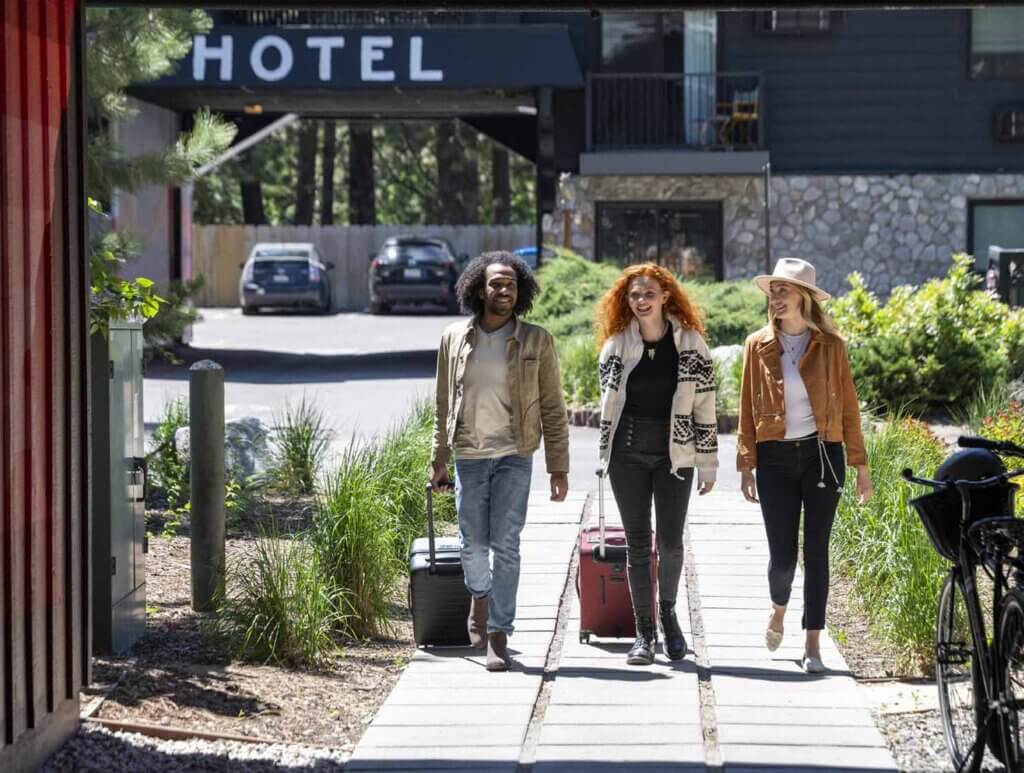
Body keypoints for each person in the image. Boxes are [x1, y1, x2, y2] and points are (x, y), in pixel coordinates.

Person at [430, 251, 570, 672]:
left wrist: (558, 467)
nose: (503, 289)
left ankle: (498, 633)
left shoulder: (536, 340)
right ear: (479, 288)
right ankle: (479, 597)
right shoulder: (455, 338)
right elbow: (442, 403)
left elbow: (552, 406)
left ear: (520, 290)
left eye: (510, 283)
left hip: (515, 453)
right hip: (469, 454)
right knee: (473, 545)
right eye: (495, 283)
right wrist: (437, 459)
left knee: (506, 545)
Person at [737, 257, 872, 674]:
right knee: (782, 559)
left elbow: (849, 406)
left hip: (823, 456)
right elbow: (745, 407)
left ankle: (813, 642)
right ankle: (778, 608)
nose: (776, 298)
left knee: (817, 552)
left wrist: (860, 465)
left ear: (805, 298)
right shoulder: (757, 344)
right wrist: (746, 462)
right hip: (775, 457)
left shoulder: (831, 346)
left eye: (785, 290)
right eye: (773, 291)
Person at [595, 263, 718, 665]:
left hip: (674, 454)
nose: (641, 301)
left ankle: (668, 615)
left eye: (649, 293)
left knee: (670, 541)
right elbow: (608, 404)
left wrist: (708, 462)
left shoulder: (689, 343)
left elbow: (705, 404)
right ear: (625, 301)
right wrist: (603, 454)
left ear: (666, 295)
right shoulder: (616, 344)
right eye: (634, 295)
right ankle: (644, 633)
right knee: (636, 544)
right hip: (626, 455)